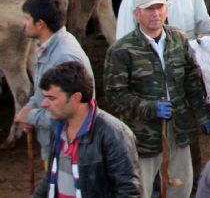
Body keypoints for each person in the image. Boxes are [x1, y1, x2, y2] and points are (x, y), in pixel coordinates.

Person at [105, 0, 210, 198]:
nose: (155, 14)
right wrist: (150, 108)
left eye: (159, 7)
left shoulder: (178, 39)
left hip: (178, 128)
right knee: (140, 189)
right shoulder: (122, 50)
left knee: (181, 185)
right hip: (143, 137)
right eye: (149, 9)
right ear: (137, 14)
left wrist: (202, 114)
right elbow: (115, 96)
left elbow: (192, 80)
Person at [31, 61, 142, 198]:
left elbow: (128, 191)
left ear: (76, 98)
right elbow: (50, 179)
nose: (44, 104)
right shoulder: (58, 127)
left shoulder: (114, 134)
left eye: (51, 98)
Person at [16, 0, 93, 162]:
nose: (24, 23)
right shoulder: (49, 46)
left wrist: (30, 117)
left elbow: (72, 112)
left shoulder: (64, 57)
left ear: (40, 24)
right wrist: (27, 109)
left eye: (27, 19)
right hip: (56, 145)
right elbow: (41, 93)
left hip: (68, 151)